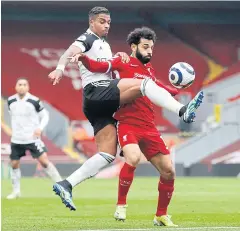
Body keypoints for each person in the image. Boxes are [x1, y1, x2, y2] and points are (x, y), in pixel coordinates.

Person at [49, 7, 203, 211]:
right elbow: (71, 53)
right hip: (96, 91)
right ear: (92, 21)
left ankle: (66, 184)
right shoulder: (87, 39)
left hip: (97, 106)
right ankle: (183, 111)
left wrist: (172, 90)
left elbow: (106, 66)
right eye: (102, 21)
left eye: (109, 22)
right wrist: (60, 68)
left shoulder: (103, 44)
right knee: (143, 84)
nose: (106, 25)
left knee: (107, 153)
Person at [70, 27, 181, 226]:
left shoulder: (149, 70)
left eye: (151, 48)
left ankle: (161, 215)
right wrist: (83, 59)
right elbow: (98, 66)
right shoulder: (123, 60)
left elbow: (161, 88)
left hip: (149, 126)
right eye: (145, 47)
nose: (149, 51)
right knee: (133, 157)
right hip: (128, 123)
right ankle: (121, 205)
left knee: (169, 171)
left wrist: (176, 90)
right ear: (133, 46)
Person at [6, 78, 62, 199]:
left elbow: (45, 115)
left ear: (28, 87)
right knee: (14, 164)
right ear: (16, 87)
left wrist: (40, 128)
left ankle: (61, 186)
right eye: (19, 84)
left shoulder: (34, 101)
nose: (22, 87)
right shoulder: (10, 101)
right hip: (17, 139)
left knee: (44, 161)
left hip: (32, 138)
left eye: (24, 85)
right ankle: (16, 191)